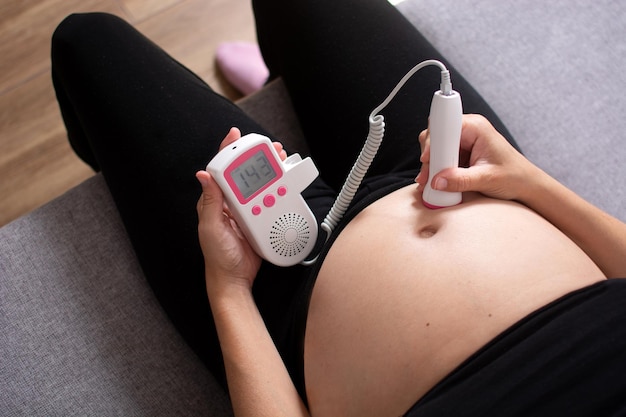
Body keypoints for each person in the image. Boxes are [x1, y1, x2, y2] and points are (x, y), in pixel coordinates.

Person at [50, 0, 626, 416]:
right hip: (464, 177)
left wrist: (229, 289)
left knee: (87, 40)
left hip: (286, 291)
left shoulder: (245, 284)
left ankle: (138, 157)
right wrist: (528, 181)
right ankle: (279, 80)